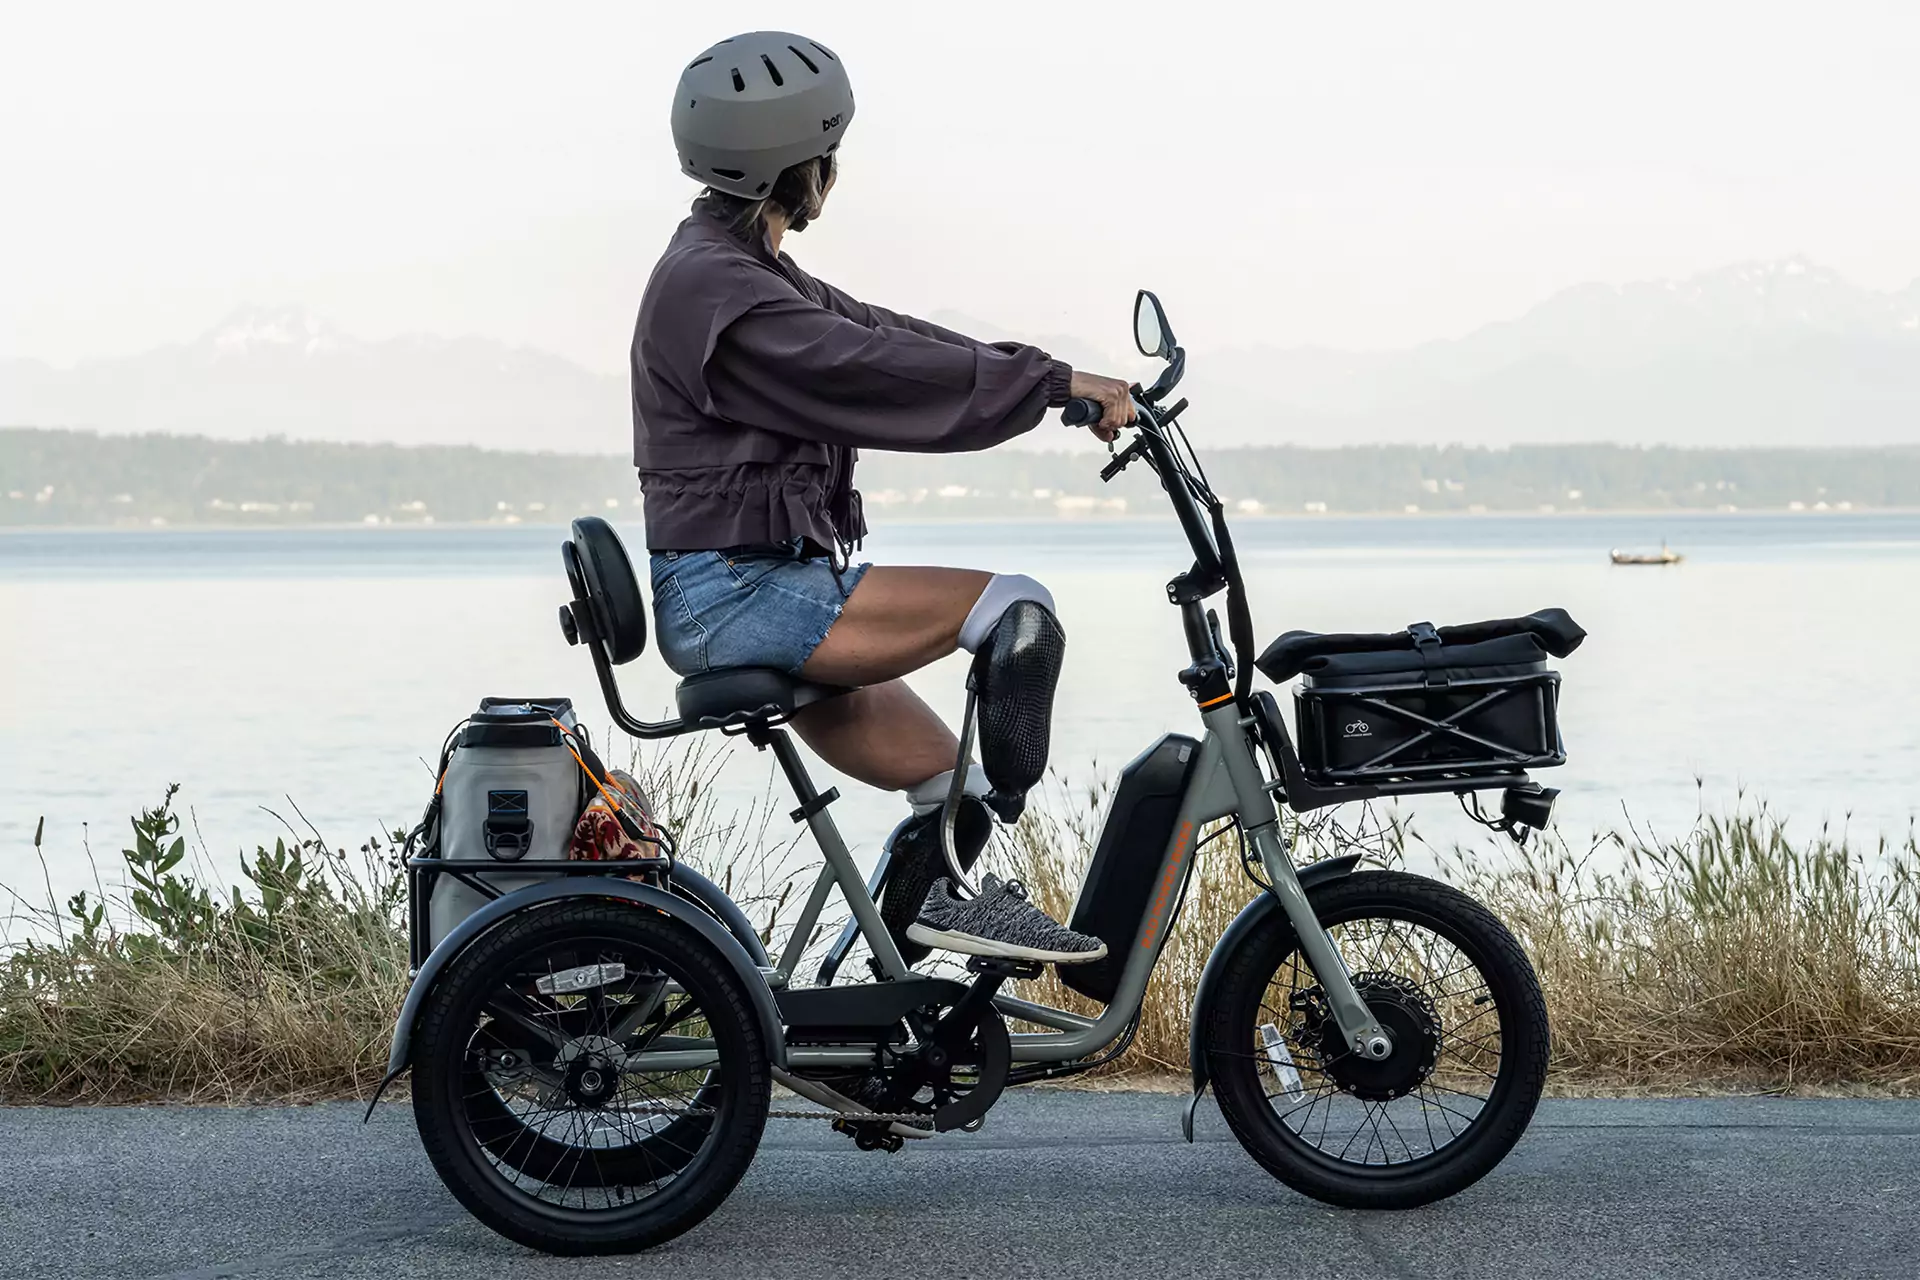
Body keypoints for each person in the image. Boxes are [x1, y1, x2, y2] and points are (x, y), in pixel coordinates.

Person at [632, 31, 1137, 967]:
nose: (835, 169)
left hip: (749, 588)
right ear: (797, 165)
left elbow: (887, 333)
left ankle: (901, 975)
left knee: (957, 789)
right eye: (829, 150)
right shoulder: (719, 289)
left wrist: (1050, 378)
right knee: (1017, 610)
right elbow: (871, 367)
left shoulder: (740, 271)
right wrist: (1046, 385)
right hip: (737, 595)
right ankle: (967, 876)